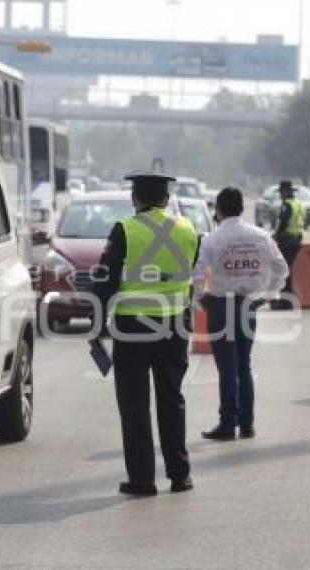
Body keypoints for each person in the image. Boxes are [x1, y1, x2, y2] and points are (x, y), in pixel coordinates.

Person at [95, 173, 199, 497]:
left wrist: (97, 324)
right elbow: (189, 271)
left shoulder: (125, 230)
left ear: (135, 200)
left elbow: (106, 280)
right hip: (175, 326)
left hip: (133, 326)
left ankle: (142, 480)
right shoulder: (188, 229)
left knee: (135, 404)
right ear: (167, 200)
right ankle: (180, 476)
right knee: (172, 398)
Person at [193, 188, 289, 441]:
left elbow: (197, 275)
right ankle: (247, 424)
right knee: (244, 365)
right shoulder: (260, 236)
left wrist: (198, 299)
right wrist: (269, 295)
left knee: (227, 368)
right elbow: (281, 267)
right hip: (248, 305)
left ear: (219, 209)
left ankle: (227, 424)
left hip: (220, 307)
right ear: (241, 209)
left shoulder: (212, 239)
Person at [272, 180, 304, 310]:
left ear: (285, 192)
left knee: (283, 271)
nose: (280, 195)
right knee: (287, 271)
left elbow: (284, 222)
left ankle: (285, 302)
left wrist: (276, 235)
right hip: (297, 239)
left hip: (287, 240)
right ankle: (287, 302)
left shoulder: (287, 205)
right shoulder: (298, 204)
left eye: (281, 192)